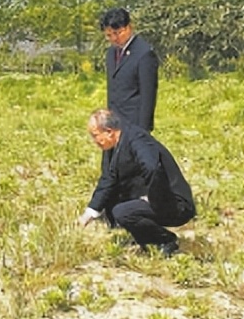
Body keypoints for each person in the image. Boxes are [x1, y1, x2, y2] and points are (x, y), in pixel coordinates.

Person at [78, 109, 195, 256]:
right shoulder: (113, 144)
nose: (94, 141)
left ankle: (165, 241)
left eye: (95, 136)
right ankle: (145, 239)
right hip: (153, 196)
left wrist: (152, 198)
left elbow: (152, 168)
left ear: (109, 131)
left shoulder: (137, 139)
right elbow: (108, 178)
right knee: (110, 205)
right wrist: (90, 213)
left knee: (122, 212)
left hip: (173, 202)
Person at [99, 7, 161, 227]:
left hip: (133, 124)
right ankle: (109, 215)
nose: (113, 38)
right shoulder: (110, 54)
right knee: (109, 169)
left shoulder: (144, 54)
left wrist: (142, 131)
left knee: (132, 175)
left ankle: (134, 218)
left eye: (117, 33)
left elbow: (148, 95)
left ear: (128, 27)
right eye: (108, 35)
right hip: (113, 124)